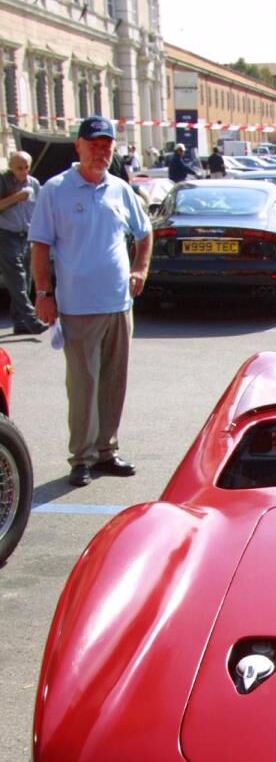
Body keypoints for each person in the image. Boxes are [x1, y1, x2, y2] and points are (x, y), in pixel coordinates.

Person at [29, 115, 152, 488]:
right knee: (83, 387)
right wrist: (43, 294)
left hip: (118, 304)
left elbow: (144, 233)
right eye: (94, 145)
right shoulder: (56, 189)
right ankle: (81, 457)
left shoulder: (119, 189)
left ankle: (106, 451)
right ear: (78, 146)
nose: (100, 152)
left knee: (114, 383)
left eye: (106, 147)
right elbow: (40, 246)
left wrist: (140, 270)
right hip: (78, 306)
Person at [0, 150, 46, 335]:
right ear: (11, 167)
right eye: (19, 168)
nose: (24, 171)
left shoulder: (33, 183)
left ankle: (20, 322)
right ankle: (32, 319)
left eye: (26, 167)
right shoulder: (3, 181)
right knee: (16, 279)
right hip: (6, 234)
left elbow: (39, 209)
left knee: (26, 279)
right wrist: (16, 197)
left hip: (26, 236)